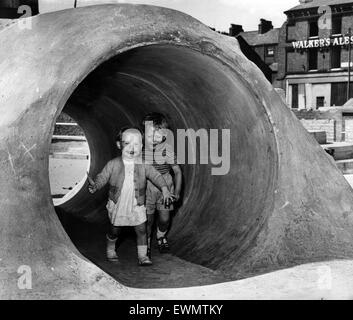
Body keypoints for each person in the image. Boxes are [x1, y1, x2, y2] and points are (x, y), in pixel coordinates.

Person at [87, 127, 175, 266]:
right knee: (115, 230)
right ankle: (110, 247)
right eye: (127, 143)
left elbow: (156, 176)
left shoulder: (144, 164)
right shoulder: (113, 164)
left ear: (142, 146)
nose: (132, 148)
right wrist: (95, 185)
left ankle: (143, 256)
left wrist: (164, 188)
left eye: (136, 144)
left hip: (137, 204)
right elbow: (102, 177)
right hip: (118, 204)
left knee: (141, 230)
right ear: (119, 144)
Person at [142, 113, 183, 258]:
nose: (153, 138)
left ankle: (160, 235)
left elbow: (177, 171)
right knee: (147, 219)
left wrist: (177, 191)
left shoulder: (167, 150)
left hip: (166, 186)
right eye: (150, 134)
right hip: (147, 187)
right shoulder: (141, 150)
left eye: (157, 134)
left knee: (164, 219)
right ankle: (145, 242)